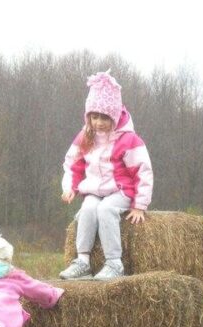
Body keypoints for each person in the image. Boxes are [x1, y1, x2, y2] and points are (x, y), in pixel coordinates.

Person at [60, 70, 153, 281]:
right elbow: (73, 164)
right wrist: (70, 188)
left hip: (121, 190)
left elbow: (143, 171)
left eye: (104, 117)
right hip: (94, 189)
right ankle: (83, 261)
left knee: (105, 209)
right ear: (88, 116)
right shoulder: (86, 136)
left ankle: (114, 262)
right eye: (94, 117)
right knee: (88, 209)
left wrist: (140, 205)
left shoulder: (129, 140)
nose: (99, 122)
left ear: (114, 115)